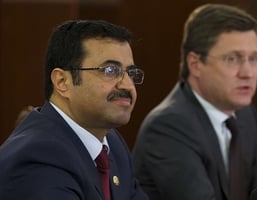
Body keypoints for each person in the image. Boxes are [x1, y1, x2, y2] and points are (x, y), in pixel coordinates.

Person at [132, 4, 257, 200]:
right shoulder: (168, 127)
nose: (248, 73)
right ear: (195, 64)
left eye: (253, 59)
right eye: (232, 59)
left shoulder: (244, 114)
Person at [0, 20, 148, 200]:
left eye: (131, 73)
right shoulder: (38, 157)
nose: (127, 85)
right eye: (110, 70)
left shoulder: (112, 144)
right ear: (62, 82)